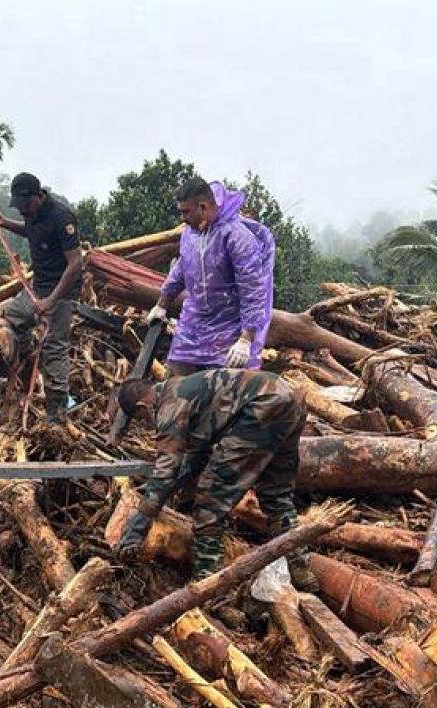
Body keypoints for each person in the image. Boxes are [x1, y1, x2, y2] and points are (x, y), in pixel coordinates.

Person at [111, 369, 312, 585]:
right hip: (288, 399)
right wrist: (169, 489)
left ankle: (207, 582)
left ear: (142, 406)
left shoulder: (169, 406)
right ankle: (302, 572)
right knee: (276, 495)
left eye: (141, 418)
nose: (147, 422)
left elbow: (167, 467)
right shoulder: (182, 387)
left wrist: (142, 517)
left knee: (210, 501)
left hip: (262, 406)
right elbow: (196, 456)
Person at [146, 178, 275, 377]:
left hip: (228, 329)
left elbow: (253, 290)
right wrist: (162, 303)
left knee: (223, 394)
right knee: (174, 383)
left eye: (186, 211)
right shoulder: (190, 234)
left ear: (203, 207)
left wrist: (246, 338)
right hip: (193, 324)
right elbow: (182, 268)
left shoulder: (236, 237)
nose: (182, 218)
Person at [0, 172, 84, 424]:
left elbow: (75, 264)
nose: (23, 211)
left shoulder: (61, 217)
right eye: (19, 208)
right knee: (11, 318)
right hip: (36, 289)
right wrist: (4, 222)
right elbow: (31, 231)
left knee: (54, 347)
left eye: (25, 205)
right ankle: (20, 367)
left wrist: (51, 300)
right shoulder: (32, 215)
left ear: (38, 197)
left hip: (60, 294)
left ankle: (57, 412)